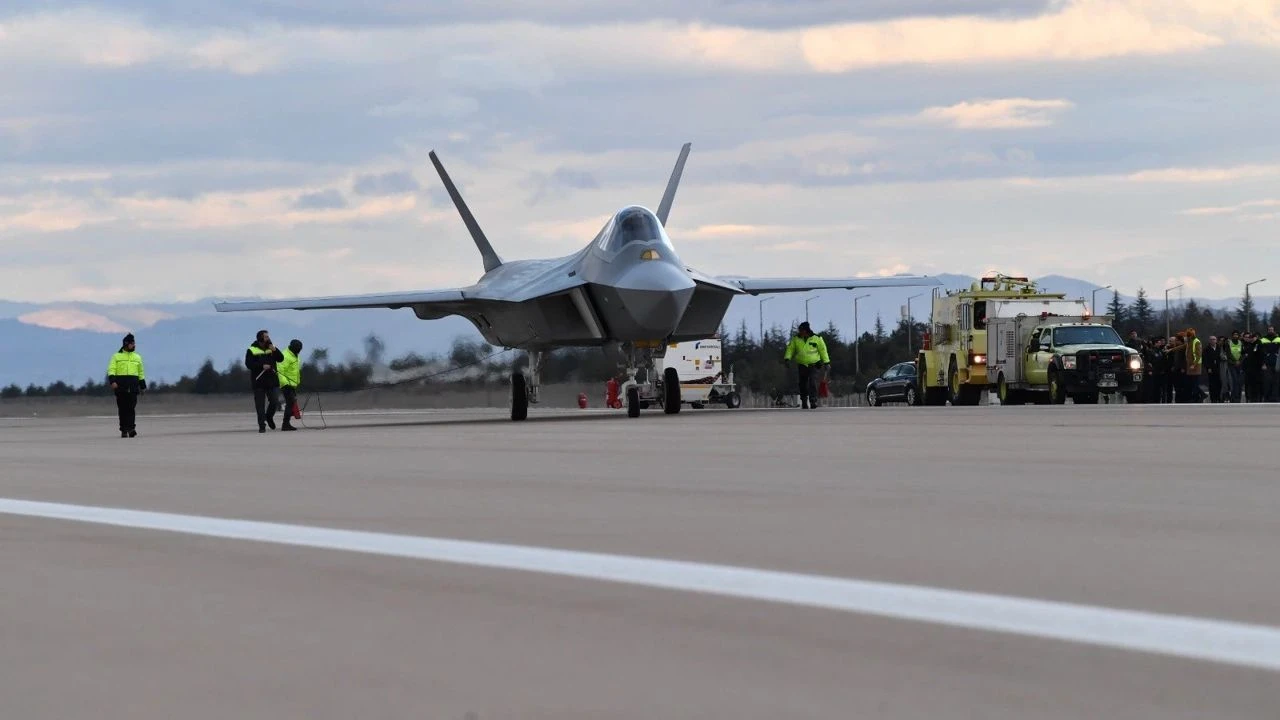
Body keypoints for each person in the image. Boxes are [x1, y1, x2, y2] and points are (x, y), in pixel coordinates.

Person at [106, 333, 146, 438]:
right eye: (132, 343)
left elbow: (141, 372)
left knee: (131, 408)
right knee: (123, 409)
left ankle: (131, 428)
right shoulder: (116, 356)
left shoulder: (137, 357)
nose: (134, 345)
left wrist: (142, 386)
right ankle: (124, 429)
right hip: (120, 387)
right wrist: (112, 381)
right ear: (126, 344)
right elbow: (111, 370)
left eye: (134, 343)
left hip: (133, 387)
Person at [783, 321, 830, 409]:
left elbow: (823, 351)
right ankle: (804, 400)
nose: (799, 332)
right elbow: (790, 349)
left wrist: (826, 362)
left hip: (814, 364)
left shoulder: (817, 338)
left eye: (801, 330)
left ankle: (813, 400)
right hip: (802, 365)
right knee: (802, 383)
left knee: (813, 382)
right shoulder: (796, 339)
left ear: (805, 331)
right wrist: (787, 358)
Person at [245, 329, 285, 433]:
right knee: (260, 405)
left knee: (275, 401)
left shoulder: (271, 347)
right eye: (266, 337)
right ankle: (262, 426)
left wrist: (275, 350)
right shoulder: (251, 350)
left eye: (268, 336)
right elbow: (249, 364)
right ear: (260, 338)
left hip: (272, 381)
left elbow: (281, 358)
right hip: (259, 381)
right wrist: (261, 366)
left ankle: (269, 416)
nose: (268, 338)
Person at [278, 339, 303, 431]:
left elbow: (295, 371)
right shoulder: (285, 356)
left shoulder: (296, 356)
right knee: (290, 403)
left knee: (291, 403)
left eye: (300, 349)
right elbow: (280, 371)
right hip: (286, 384)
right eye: (298, 348)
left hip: (292, 384)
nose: (299, 350)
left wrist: (297, 381)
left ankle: (286, 423)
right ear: (293, 347)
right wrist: (285, 383)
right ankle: (285, 424)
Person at [1203, 335, 1222, 403]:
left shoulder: (1220, 348)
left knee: (1219, 384)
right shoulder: (1206, 349)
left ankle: (1219, 398)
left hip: (1219, 368)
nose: (1212, 341)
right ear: (1209, 341)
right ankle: (1213, 399)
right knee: (1212, 385)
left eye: (1214, 339)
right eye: (1211, 339)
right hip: (1211, 369)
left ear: (1216, 340)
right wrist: (1208, 367)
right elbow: (1205, 359)